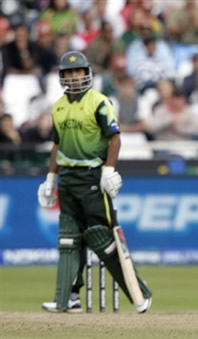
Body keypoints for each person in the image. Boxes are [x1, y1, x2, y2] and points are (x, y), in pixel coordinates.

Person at [38, 51, 152, 313]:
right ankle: (68, 298)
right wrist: (50, 178)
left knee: (102, 237)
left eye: (78, 72)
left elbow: (114, 138)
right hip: (67, 178)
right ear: (62, 76)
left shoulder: (99, 102)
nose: (74, 77)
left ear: (86, 73)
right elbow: (57, 145)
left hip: (92, 176)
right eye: (68, 73)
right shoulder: (58, 106)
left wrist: (108, 170)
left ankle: (140, 293)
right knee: (69, 239)